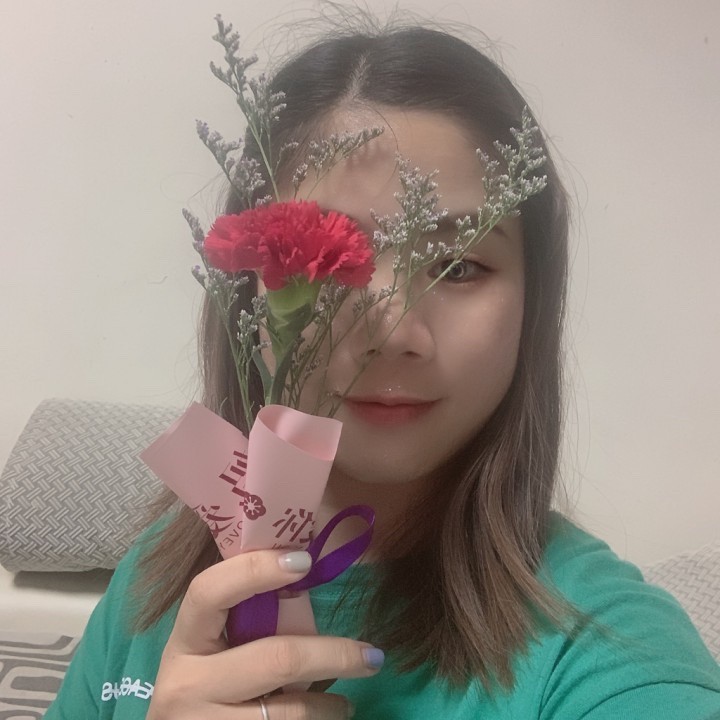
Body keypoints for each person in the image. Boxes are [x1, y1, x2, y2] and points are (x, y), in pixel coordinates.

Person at [46, 19, 720, 720]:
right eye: (323, 264)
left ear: (533, 304)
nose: (394, 332)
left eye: (459, 266)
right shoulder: (155, 579)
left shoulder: (606, 646)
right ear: (246, 289)